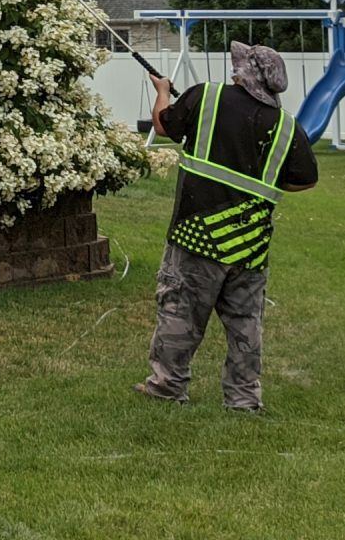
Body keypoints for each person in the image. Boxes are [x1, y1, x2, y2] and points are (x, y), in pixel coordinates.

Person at [135, 40, 318, 412]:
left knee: (180, 312)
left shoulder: (206, 96)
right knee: (245, 325)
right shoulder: (285, 126)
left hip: (197, 236)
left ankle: (168, 386)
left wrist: (163, 93)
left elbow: (164, 125)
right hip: (251, 246)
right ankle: (243, 399)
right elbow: (305, 179)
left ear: (243, 74)